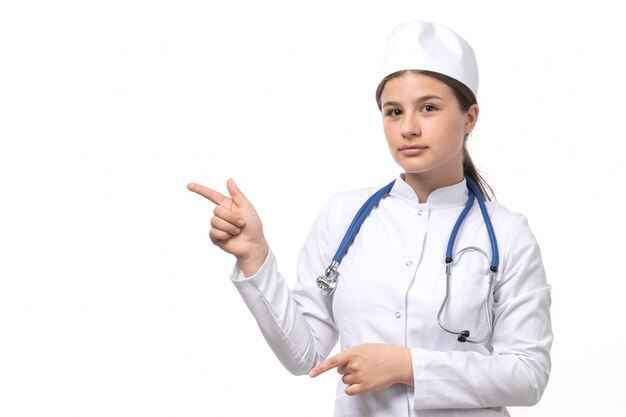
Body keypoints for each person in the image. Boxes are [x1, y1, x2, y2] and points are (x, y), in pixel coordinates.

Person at [188, 20, 552, 417]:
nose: (408, 128)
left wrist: (408, 367)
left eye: (428, 108)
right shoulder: (344, 216)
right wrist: (254, 257)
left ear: (469, 118)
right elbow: (304, 354)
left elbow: (529, 375)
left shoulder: (507, 233)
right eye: (393, 112)